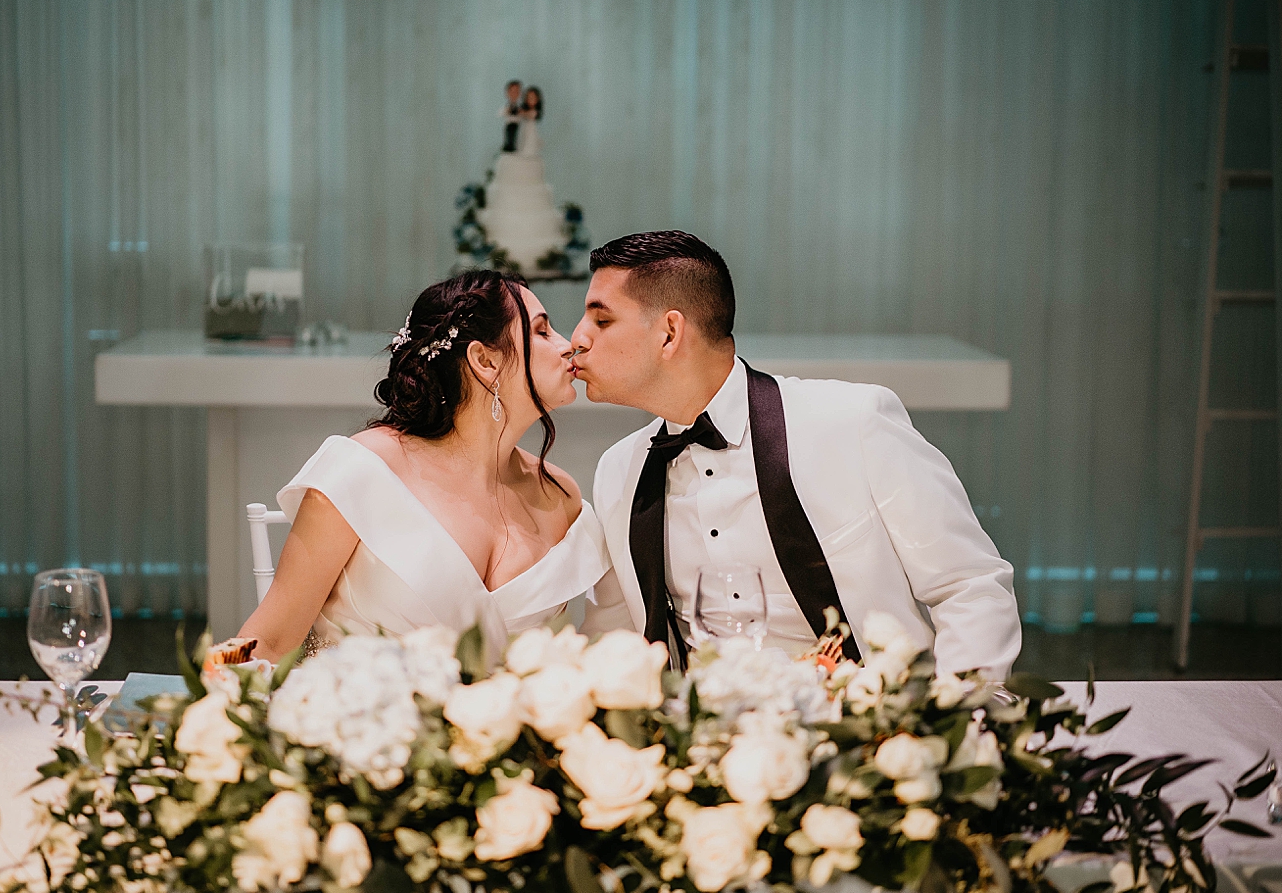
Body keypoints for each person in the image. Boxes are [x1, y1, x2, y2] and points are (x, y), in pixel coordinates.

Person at [571, 230, 1020, 679]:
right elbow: (615, 639)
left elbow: (969, 586)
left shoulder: (853, 423)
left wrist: (962, 715)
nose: (577, 339)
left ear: (670, 333)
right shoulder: (619, 470)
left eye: (602, 321)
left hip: (867, 727)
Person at [239, 269, 609, 661]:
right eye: (542, 331)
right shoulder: (363, 471)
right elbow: (271, 641)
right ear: (485, 360)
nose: (567, 345)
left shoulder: (558, 496)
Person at [517, 85, 544, 156]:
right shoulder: (523, 111)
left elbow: (531, 114)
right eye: (528, 98)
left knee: (529, 151)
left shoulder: (535, 112)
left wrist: (521, 112)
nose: (530, 100)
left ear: (537, 99)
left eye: (532, 98)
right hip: (523, 135)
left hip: (531, 136)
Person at [499, 80, 522, 152]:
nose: (514, 94)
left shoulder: (521, 107)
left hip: (519, 129)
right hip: (510, 126)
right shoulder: (506, 107)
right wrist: (508, 111)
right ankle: (509, 145)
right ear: (507, 93)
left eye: (517, 92)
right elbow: (500, 113)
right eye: (512, 92)